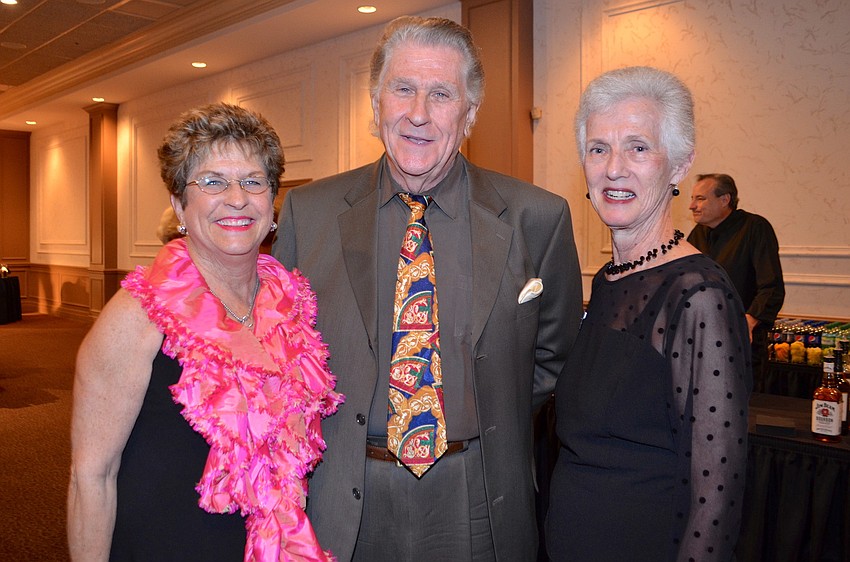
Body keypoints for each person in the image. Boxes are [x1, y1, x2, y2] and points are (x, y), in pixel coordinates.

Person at [273, 15, 582, 562]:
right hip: (345, 496)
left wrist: (484, 407)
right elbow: (281, 355)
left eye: (441, 94)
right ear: (376, 104)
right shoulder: (308, 212)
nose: (418, 113)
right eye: (403, 89)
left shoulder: (538, 217)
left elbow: (554, 356)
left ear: (470, 114)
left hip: (479, 494)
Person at [67, 102, 343, 561]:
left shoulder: (294, 304)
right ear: (179, 203)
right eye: (212, 181)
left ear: (271, 200)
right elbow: (91, 477)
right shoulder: (138, 315)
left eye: (253, 181)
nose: (236, 198)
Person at [546, 66, 751, 561]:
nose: (614, 168)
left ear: (679, 165)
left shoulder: (699, 296)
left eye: (638, 147)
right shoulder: (609, 282)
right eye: (598, 148)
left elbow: (715, 502)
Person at [688, 173, 785, 390]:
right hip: (702, 342)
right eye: (693, 198)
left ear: (725, 200)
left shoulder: (754, 228)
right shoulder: (697, 234)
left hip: (742, 344)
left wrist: (747, 322)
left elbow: (771, 287)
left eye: (700, 199)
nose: (691, 206)